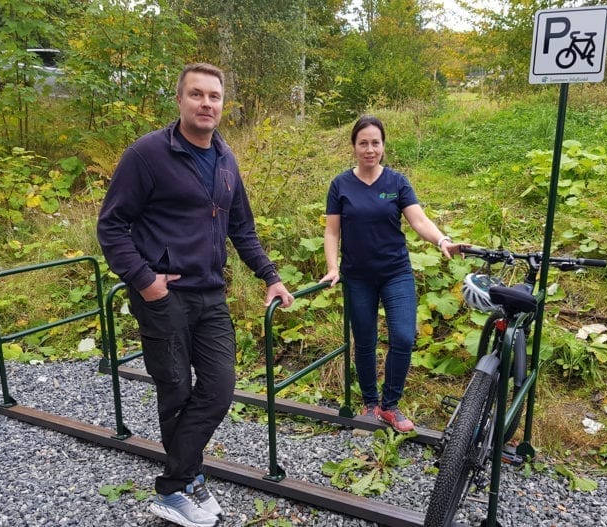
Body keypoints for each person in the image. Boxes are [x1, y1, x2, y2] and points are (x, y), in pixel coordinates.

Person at [97, 63, 294, 527]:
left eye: (215, 97)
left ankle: (178, 480)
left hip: (211, 295)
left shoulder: (225, 158)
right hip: (163, 297)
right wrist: (146, 281)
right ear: (180, 100)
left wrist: (271, 276)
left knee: (219, 390)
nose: (207, 104)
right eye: (197, 95)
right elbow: (111, 226)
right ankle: (181, 485)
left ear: (223, 104)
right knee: (176, 391)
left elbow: (240, 228)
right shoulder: (147, 154)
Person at [320, 115, 466, 433]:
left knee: (402, 337)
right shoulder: (341, 184)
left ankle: (390, 406)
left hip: (395, 272)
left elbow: (419, 220)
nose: (370, 149)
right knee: (366, 340)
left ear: (383, 146)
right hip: (357, 276)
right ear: (354, 147)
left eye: (376, 142)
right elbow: (332, 232)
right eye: (363, 143)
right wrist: (333, 267)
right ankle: (371, 404)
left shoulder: (397, 182)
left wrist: (442, 240)